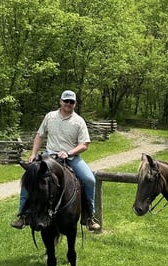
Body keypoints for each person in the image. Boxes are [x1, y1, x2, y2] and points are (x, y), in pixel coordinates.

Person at [11, 90, 101, 231]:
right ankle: (24, 215)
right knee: (28, 177)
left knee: (89, 179)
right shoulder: (50, 117)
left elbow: (84, 144)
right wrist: (33, 154)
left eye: (71, 102)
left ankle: (89, 216)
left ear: (75, 104)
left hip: (71, 157)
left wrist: (69, 152)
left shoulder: (79, 121)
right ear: (61, 101)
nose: (68, 104)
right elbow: (40, 135)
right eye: (66, 101)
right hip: (49, 157)